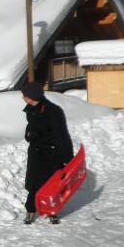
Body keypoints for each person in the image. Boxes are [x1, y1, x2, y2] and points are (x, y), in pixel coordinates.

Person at [21, 82, 74, 225]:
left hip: (52, 153)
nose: (23, 98)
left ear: (33, 96)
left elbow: (61, 134)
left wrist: (67, 158)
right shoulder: (31, 109)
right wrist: (29, 134)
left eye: (25, 96)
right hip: (36, 153)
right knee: (33, 183)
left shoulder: (53, 111)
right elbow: (30, 128)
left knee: (51, 184)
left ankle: (52, 211)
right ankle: (31, 210)